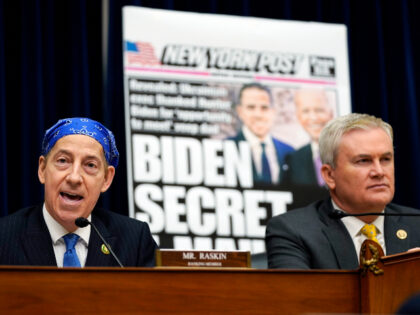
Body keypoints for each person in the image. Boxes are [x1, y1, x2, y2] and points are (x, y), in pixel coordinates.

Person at [266, 113, 420, 269]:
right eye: (363, 161)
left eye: (385, 159)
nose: (379, 172)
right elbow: (299, 293)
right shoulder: (294, 231)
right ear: (330, 175)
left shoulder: (417, 225)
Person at [0, 117, 157, 267]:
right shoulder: (4, 237)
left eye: (90, 165)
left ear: (106, 179)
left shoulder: (135, 241)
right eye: (63, 161)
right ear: (42, 169)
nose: (74, 178)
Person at [229, 83, 294, 185]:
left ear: (273, 111)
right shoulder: (226, 147)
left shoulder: (289, 152)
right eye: (251, 107)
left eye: (264, 107)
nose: (258, 114)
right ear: (240, 111)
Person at [282, 88, 334, 187]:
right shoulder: (293, 160)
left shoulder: (347, 153)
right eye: (306, 111)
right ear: (298, 116)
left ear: (330, 113)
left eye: (319, 110)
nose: (313, 117)